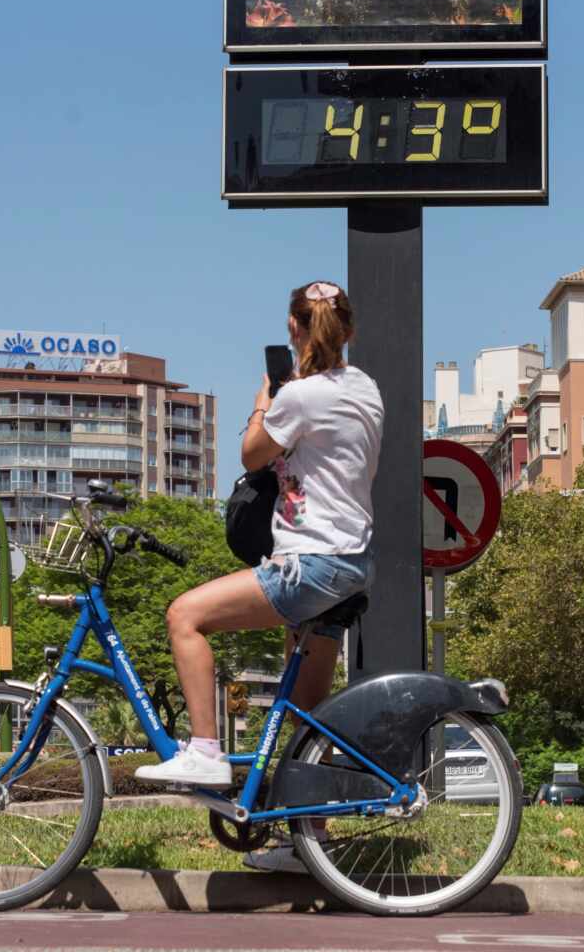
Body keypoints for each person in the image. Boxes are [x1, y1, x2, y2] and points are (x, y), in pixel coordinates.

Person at [136, 280, 383, 799]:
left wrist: (261, 404)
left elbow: (252, 454)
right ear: (350, 331)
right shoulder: (364, 386)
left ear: (293, 328)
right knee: (304, 720)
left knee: (185, 616)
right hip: (351, 563)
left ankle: (204, 751)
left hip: (309, 564)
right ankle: (309, 837)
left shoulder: (296, 397)